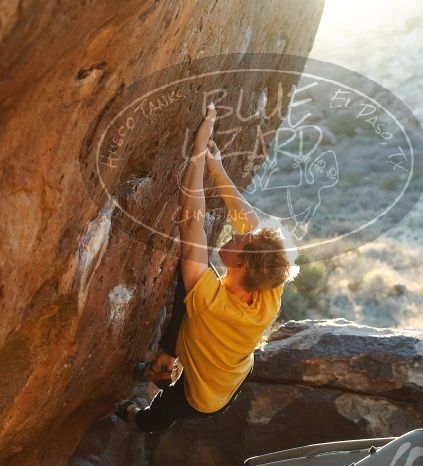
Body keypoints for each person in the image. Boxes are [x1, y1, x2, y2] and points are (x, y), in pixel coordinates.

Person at [116, 102, 297, 433]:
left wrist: (199, 153)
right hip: (231, 371)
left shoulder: (213, 304)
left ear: (242, 264)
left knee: (155, 415)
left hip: (201, 398)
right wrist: (218, 168)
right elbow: (251, 223)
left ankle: (131, 417)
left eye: (238, 243)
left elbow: (191, 220)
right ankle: (159, 366)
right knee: (189, 288)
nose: (233, 235)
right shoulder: (268, 284)